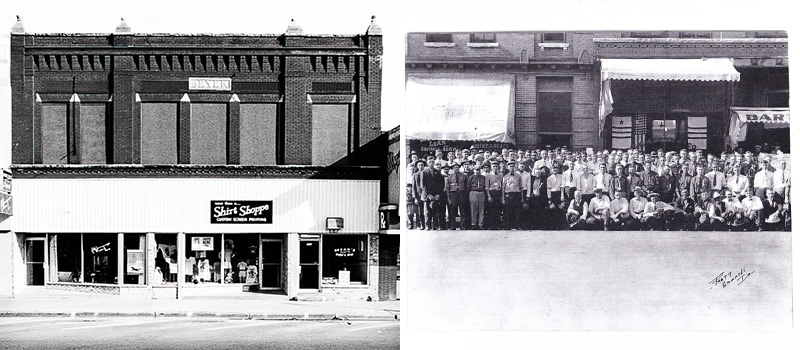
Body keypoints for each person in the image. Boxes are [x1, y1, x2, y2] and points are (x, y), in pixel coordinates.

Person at [445, 162, 469, 230]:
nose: (456, 169)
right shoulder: (449, 177)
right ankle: (453, 226)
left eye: (457, 167)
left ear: (459, 168)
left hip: (462, 193)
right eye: (454, 168)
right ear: (452, 169)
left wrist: (465, 195)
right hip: (453, 193)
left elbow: (466, 186)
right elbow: (447, 187)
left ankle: (463, 225)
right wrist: (448, 196)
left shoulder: (464, 176)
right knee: (453, 210)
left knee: (462, 210)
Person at [502, 161, 524, 230]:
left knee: (517, 210)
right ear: (508, 167)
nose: (512, 168)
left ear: (515, 167)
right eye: (510, 166)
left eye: (513, 166)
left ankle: (517, 225)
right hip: (508, 195)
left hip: (516, 194)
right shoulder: (505, 177)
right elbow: (503, 188)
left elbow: (521, 187)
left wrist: (522, 197)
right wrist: (503, 198)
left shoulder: (518, 176)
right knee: (509, 210)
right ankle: (508, 225)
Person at [468, 163, 488, 230]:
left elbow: (485, 186)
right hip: (474, 192)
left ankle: (480, 224)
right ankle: (473, 224)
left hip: (481, 193)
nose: (477, 171)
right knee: (473, 209)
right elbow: (468, 187)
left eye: (479, 170)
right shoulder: (471, 177)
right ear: (474, 170)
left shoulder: (483, 177)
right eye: (476, 170)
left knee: (481, 209)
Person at [485, 161, 504, 230]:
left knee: (498, 209)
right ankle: (491, 225)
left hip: (498, 192)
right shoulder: (488, 175)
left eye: (496, 166)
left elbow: (502, 186)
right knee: (490, 210)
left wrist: (502, 196)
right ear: (491, 167)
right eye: (493, 166)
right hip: (491, 192)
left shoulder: (501, 175)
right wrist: (489, 196)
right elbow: (487, 187)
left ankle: (497, 224)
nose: (495, 168)